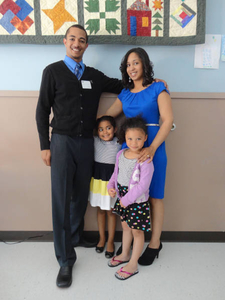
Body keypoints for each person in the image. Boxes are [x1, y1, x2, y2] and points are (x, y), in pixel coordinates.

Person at [36, 24, 123, 288]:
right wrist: (45, 145)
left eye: (82, 40)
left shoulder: (94, 75)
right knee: (62, 198)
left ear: (86, 46)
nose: (77, 43)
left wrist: (152, 81)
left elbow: (124, 85)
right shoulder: (52, 72)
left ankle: (74, 235)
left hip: (88, 144)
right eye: (72, 39)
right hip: (61, 142)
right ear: (65, 42)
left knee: (80, 194)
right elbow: (42, 111)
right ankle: (65, 260)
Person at [105, 47, 174, 266]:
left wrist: (152, 148)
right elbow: (107, 116)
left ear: (144, 64)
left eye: (135, 62)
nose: (132, 68)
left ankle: (154, 243)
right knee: (128, 191)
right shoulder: (124, 93)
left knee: (154, 195)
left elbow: (168, 120)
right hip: (128, 150)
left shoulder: (158, 88)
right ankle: (129, 243)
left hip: (154, 146)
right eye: (128, 64)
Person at [107, 116, 154, 280]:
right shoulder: (121, 153)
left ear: (145, 138)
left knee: (137, 232)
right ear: (124, 138)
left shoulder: (145, 159)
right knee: (126, 227)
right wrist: (110, 187)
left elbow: (143, 186)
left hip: (136, 201)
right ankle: (125, 254)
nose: (134, 143)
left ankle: (134, 263)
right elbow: (116, 173)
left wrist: (126, 201)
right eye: (130, 138)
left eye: (139, 138)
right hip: (121, 197)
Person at [89, 116, 121, 258]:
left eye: (108, 128)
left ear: (114, 129)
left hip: (111, 183)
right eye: (101, 129)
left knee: (110, 212)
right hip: (97, 182)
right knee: (101, 211)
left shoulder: (119, 143)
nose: (105, 132)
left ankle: (110, 241)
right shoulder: (95, 141)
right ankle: (102, 238)